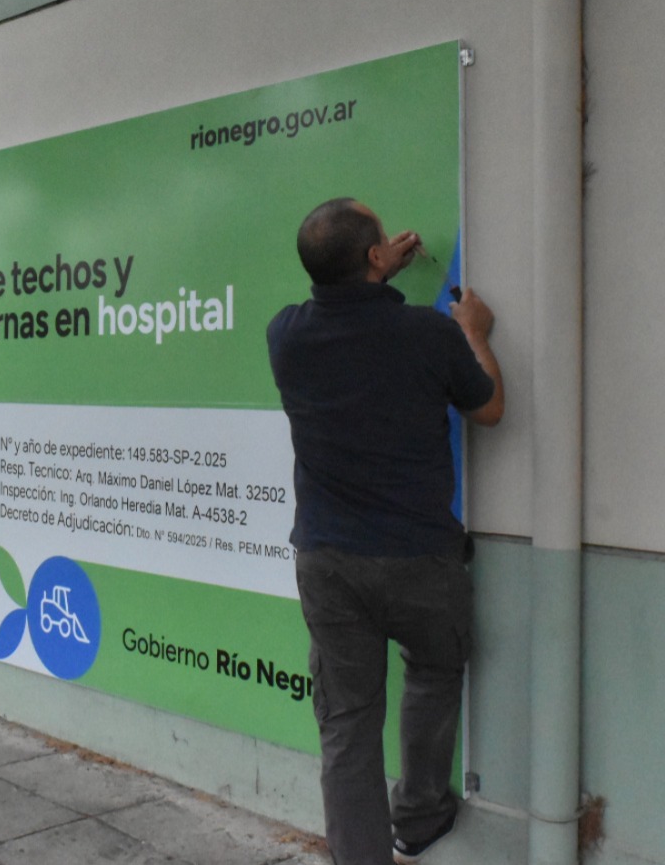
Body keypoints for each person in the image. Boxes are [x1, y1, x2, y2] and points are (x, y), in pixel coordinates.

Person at [266, 198, 504, 865]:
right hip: (419, 557)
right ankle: (421, 816)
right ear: (376, 256)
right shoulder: (429, 334)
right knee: (434, 667)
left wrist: (363, 274)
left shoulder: (284, 334)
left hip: (326, 561)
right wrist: (476, 330)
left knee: (347, 722)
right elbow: (489, 405)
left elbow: (330, 303)